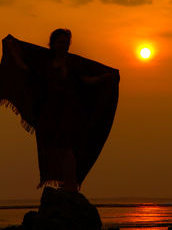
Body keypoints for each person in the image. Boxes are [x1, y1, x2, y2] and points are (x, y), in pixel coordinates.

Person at [0, 29, 120, 192]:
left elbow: (85, 80)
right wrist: (13, 51)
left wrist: (103, 78)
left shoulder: (73, 64)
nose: (63, 45)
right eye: (60, 42)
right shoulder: (44, 63)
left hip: (69, 110)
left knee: (67, 147)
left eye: (65, 42)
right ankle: (66, 182)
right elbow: (26, 69)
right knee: (55, 148)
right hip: (50, 111)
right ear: (52, 44)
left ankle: (71, 185)